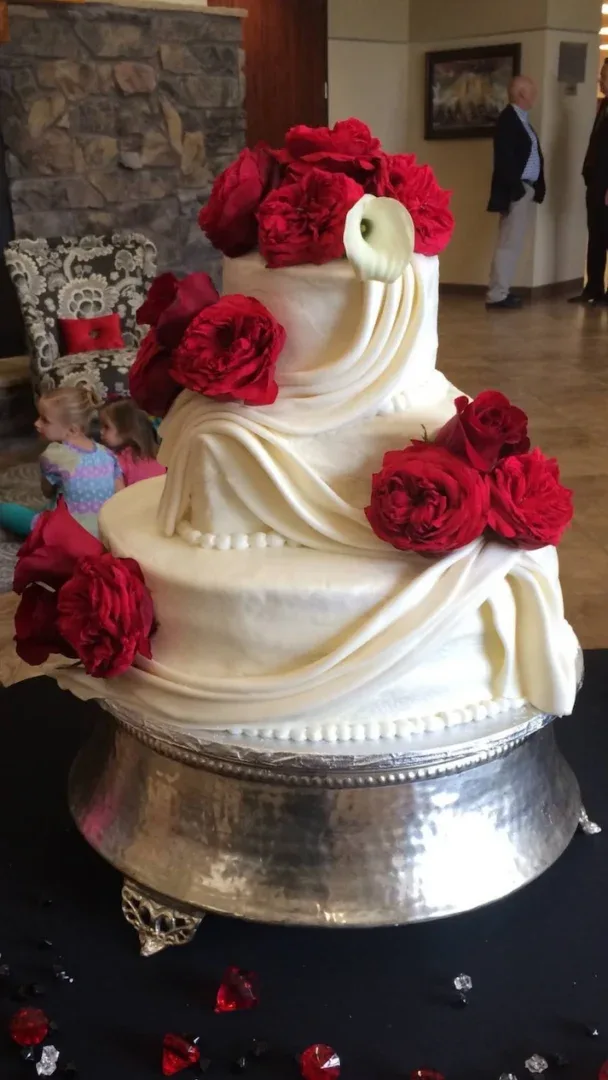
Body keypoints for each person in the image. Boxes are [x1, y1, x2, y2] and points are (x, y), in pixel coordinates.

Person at [0, 386, 122, 539]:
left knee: (8, 511)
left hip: (66, 535)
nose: (37, 424)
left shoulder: (53, 455)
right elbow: (121, 495)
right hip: (105, 535)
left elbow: (47, 492)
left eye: (45, 420)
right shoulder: (108, 454)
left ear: (72, 430)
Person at [486, 75, 546, 310]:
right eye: (532, 92)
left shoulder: (521, 119)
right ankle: (497, 294)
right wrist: (518, 190)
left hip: (523, 190)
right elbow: (504, 160)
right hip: (516, 192)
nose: (535, 97)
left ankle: (501, 291)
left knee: (512, 243)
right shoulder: (509, 120)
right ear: (521, 94)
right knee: (508, 244)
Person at [569, 60, 608, 306]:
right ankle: (593, 287)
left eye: (603, 76)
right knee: (596, 237)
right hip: (595, 184)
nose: (599, 80)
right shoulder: (603, 106)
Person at [99, 398, 166, 486]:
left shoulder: (117, 461)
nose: (101, 431)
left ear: (126, 430)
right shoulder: (159, 457)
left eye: (106, 427)